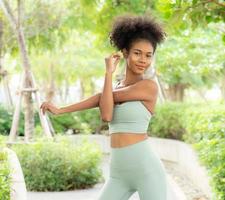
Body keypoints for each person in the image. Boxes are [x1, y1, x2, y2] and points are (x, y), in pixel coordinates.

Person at [40, 14, 168, 200]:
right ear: (125, 53)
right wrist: (108, 74)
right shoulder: (115, 87)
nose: (143, 60)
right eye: (137, 53)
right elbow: (106, 109)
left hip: (147, 170)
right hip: (118, 174)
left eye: (148, 55)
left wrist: (107, 77)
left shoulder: (148, 87)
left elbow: (105, 110)